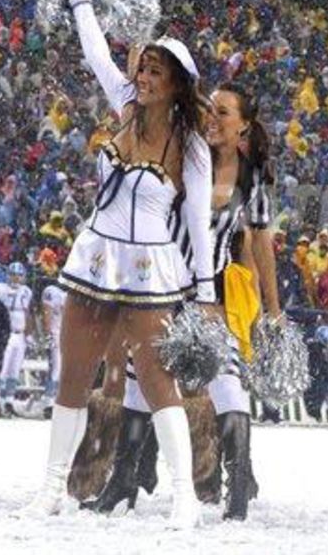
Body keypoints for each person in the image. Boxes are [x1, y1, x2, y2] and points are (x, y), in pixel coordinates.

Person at [20, 0, 216, 530]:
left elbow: (197, 221)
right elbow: (95, 56)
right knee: (74, 376)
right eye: (144, 68)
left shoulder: (192, 144)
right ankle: (52, 487)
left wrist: (204, 294)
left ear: (177, 82)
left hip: (152, 268)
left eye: (157, 71)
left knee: (157, 381)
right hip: (96, 257)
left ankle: (185, 496)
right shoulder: (123, 107)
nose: (145, 78)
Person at [86, 81, 280, 522]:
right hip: (160, 286)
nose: (213, 118)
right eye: (210, 109)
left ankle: (237, 486)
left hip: (211, 297)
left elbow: (263, 247)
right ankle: (124, 481)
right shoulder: (183, 153)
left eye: (225, 112)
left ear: (244, 125)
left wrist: (273, 309)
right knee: (140, 377)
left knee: (225, 379)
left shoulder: (254, 177)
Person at [0, 261, 35, 412]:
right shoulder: (1, 288)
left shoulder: (26, 291)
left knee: (15, 368)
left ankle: (9, 399)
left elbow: (28, 313)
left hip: (20, 334)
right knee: (4, 367)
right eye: (13, 275)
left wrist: (29, 334)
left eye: (19, 275)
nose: (16, 278)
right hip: (7, 333)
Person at [39, 279, 67, 400]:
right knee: (56, 368)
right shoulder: (52, 291)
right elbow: (47, 315)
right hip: (56, 334)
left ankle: (56, 398)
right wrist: (48, 334)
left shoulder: (68, 294)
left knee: (61, 369)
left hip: (65, 335)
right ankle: (49, 400)